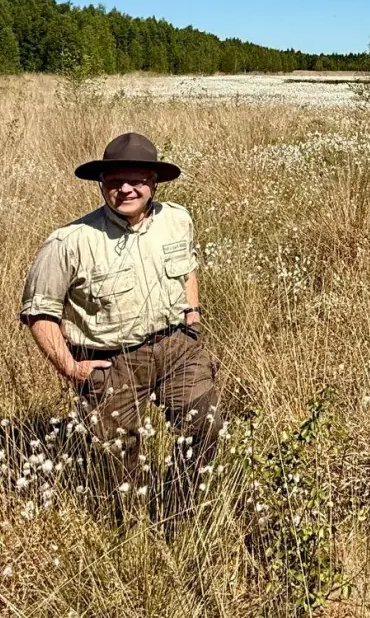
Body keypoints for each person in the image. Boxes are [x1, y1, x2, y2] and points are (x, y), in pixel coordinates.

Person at [19, 132, 221, 526]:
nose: (126, 189)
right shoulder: (70, 242)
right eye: (115, 182)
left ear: (153, 182)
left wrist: (192, 317)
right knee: (118, 457)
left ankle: (177, 516)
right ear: (101, 184)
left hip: (178, 348)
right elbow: (39, 314)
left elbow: (187, 269)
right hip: (112, 365)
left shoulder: (177, 219)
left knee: (205, 429)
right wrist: (71, 368)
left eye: (136, 180)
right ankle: (126, 529)